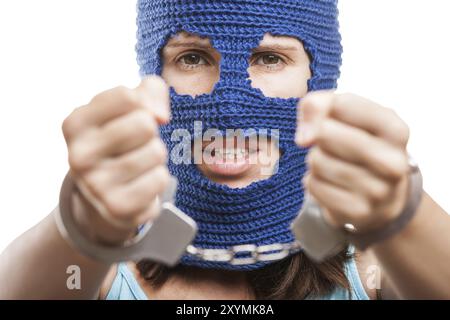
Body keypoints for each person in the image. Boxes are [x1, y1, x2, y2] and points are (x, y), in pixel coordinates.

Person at [1, 0, 449, 300]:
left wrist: (401, 213)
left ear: (320, 78)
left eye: (270, 58)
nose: (231, 108)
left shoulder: (375, 270)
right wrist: (83, 226)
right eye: (192, 57)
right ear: (153, 77)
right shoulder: (96, 271)